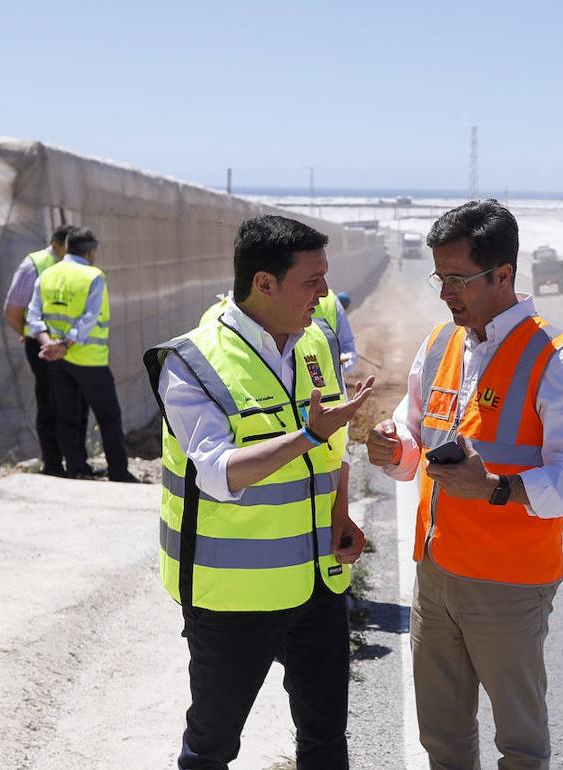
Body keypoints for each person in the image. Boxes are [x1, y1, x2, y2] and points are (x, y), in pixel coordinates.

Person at [367, 199, 563, 770]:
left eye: (458, 279)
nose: (446, 292)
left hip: (509, 583)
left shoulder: (557, 359)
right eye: (440, 277)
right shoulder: (441, 343)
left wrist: (496, 487)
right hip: (436, 574)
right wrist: (392, 445)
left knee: (519, 746)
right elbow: (414, 429)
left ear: (503, 275)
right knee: (442, 738)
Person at [144, 214, 375, 770]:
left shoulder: (314, 341)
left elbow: (332, 446)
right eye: (312, 281)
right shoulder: (191, 363)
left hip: (318, 578)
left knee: (324, 736)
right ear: (264, 283)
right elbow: (220, 474)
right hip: (234, 595)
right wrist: (308, 434)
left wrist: (340, 512)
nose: (324, 293)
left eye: (325, 278)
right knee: (213, 745)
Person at [26, 227, 137, 482]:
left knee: (67, 415)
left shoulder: (47, 275)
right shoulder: (93, 276)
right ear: (90, 251)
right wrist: (64, 344)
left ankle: (76, 468)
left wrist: (48, 344)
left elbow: (34, 317)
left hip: (57, 360)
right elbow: (90, 317)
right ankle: (118, 472)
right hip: (89, 360)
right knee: (108, 416)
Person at [2, 224, 89, 476]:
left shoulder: (75, 267)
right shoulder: (34, 265)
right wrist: (27, 335)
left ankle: (77, 462)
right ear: (60, 245)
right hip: (43, 348)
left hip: (71, 346)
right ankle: (52, 464)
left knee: (77, 405)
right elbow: (13, 310)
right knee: (51, 403)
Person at [202, 285, 358, 373]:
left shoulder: (329, 302)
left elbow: (348, 350)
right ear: (264, 283)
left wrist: (333, 368)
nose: (322, 289)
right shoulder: (213, 319)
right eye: (310, 280)